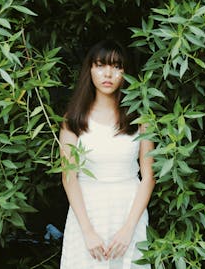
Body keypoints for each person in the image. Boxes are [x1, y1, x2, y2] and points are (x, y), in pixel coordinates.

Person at [60, 40, 155, 269]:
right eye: (101, 65)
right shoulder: (73, 119)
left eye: (116, 67)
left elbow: (149, 177)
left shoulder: (140, 118)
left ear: (126, 73)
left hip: (129, 210)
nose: (108, 74)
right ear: (89, 70)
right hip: (87, 212)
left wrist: (128, 229)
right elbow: (69, 177)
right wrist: (88, 232)